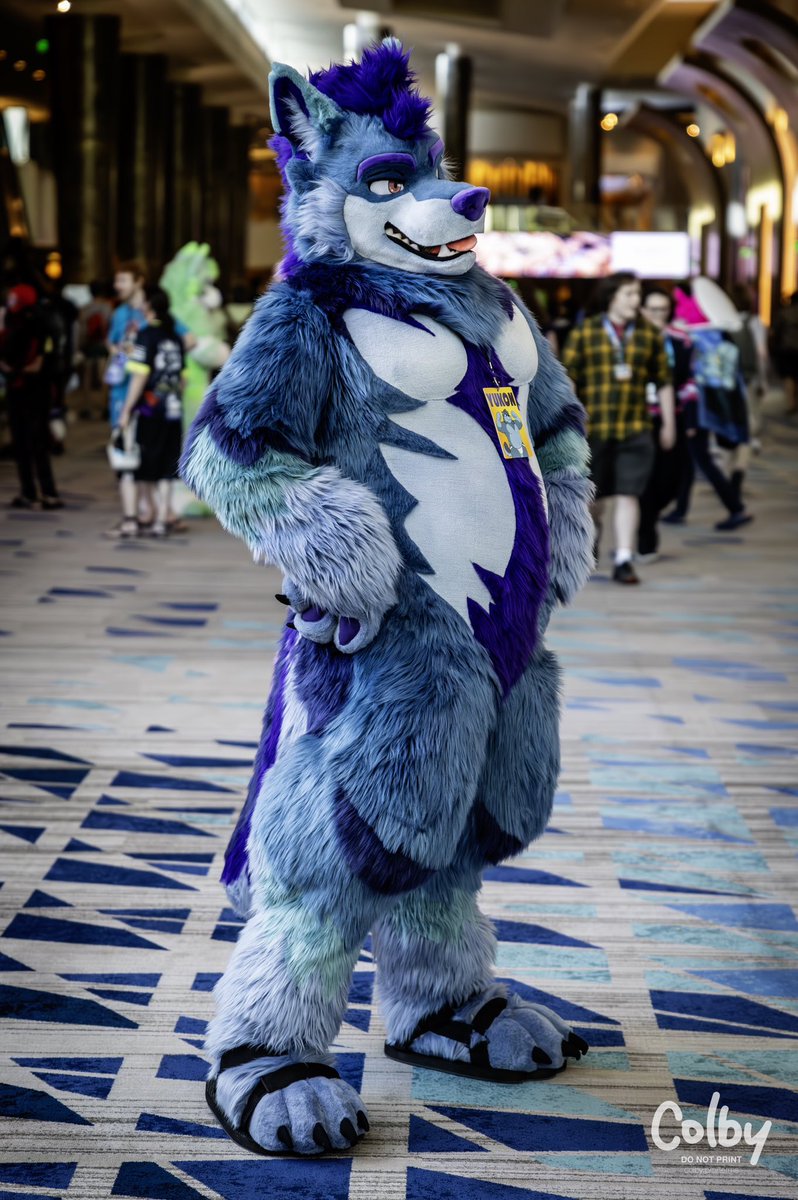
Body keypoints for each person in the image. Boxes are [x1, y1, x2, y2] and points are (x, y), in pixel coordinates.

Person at [563, 271, 675, 584]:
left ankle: (624, 558)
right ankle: (592, 538)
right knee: (595, 501)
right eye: (630, 294)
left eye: (637, 294)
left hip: (635, 427)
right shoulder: (586, 332)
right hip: (594, 429)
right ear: (612, 296)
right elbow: (569, 377)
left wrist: (669, 423)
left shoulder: (649, 334)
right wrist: (573, 419)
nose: (636, 301)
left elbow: (663, 380)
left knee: (629, 494)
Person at [670, 287, 754, 531]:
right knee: (690, 459)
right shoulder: (714, 335)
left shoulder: (696, 338)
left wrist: (691, 418)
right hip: (700, 407)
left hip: (695, 409)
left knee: (701, 459)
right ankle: (680, 509)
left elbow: (692, 380)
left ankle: (735, 507)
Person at [117, 286, 184, 538]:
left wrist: (126, 410)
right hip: (173, 410)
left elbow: (139, 376)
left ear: (149, 306)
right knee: (167, 466)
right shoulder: (174, 336)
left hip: (149, 410)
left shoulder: (146, 335)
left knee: (144, 465)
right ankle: (161, 520)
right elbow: (182, 378)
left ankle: (137, 518)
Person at [637, 286, 693, 561]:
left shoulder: (681, 340)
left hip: (674, 415)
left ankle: (648, 515)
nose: (659, 314)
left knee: (673, 478)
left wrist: (691, 417)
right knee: (645, 479)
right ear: (642, 310)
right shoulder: (631, 340)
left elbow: (691, 378)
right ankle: (645, 538)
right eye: (653, 309)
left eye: (664, 309)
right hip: (639, 416)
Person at [0, 284, 62, 510]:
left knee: (36, 441)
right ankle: (30, 492)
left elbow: (41, 360)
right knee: (22, 442)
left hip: (34, 389)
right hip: (20, 387)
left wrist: (15, 369)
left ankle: (47, 493)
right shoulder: (12, 320)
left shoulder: (37, 321)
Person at [772, 291, 798, 415]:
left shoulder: (785, 313)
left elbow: (776, 331)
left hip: (787, 348)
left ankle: (791, 403)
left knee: (789, 376)